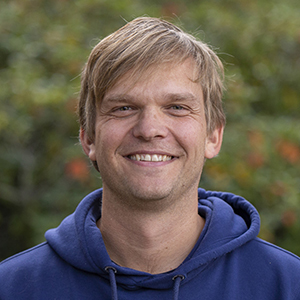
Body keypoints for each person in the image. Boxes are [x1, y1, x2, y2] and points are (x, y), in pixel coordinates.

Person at [0, 17, 299, 300]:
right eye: (124, 108)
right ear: (88, 138)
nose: (150, 130)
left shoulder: (287, 285)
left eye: (177, 107)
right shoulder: (13, 287)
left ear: (213, 137)